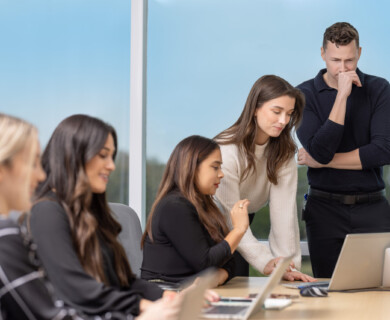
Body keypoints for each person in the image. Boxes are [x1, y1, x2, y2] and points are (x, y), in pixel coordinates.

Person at [27, 114, 188, 319]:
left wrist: (169, 297)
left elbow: (124, 281)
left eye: (112, 156)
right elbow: (75, 288)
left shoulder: (90, 214)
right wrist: (143, 307)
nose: (111, 165)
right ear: (74, 155)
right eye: (103, 155)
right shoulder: (46, 212)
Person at [297, 22, 390, 278]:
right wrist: (341, 97)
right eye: (335, 60)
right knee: (327, 290)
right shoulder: (303, 94)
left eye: (349, 60)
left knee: (378, 292)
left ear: (359, 52)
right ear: (322, 54)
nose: (343, 69)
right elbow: (320, 149)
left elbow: (383, 151)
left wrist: (322, 163)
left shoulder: (379, 89)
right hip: (323, 210)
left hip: (373, 208)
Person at [214, 75, 315, 282]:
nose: (283, 121)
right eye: (276, 112)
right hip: (214, 223)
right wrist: (267, 263)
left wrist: (287, 266)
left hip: (243, 220)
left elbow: (284, 213)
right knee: (229, 285)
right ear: (254, 109)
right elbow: (231, 221)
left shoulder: (283, 153)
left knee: (246, 285)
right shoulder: (226, 151)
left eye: (289, 114)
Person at [141, 135, 250, 286]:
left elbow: (232, 259)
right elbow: (205, 262)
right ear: (191, 167)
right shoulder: (174, 207)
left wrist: (219, 275)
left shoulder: (204, 206)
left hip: (190, 291)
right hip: (166, 293)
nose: (221, 174)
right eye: (215, 167)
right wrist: (238, 230)